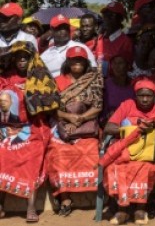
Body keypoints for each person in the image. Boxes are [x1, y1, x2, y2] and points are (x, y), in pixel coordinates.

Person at [103, 77, 155, 225]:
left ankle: (140, 209)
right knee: (114, 168)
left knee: (146, 168)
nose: (144, 99)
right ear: (135, 96)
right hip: (125, 150)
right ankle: (122, 209)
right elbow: (109, 127)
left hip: (149, 153)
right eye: (141, 95)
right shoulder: (127, 105)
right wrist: (132, 130)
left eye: (148, 96)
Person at [0, 41, 56, 222]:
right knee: (2, 156)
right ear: (13, 59)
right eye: (18, 57)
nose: (22, 61)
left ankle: (30, 207)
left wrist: (33, 95)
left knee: (32, 160)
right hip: (6, 128)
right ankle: (0, 205)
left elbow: (50, 105)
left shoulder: (41, 78)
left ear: (33, 59)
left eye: (26, 57)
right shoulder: (6, 79)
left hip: (33, 128)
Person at [46, 46, 103, 216]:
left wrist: (80, 119)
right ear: (68, 62)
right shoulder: (57, 81)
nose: (77, 63)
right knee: (58, 152)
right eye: (74, 60)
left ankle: (93, 197)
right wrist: (68, 118)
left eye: (81, 60)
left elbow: (97, 106)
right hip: (61, 123)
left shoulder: (93, 80)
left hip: (85, 124)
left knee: (91, 149)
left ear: (86, 63)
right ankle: (65, 198)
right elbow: (50, 107)